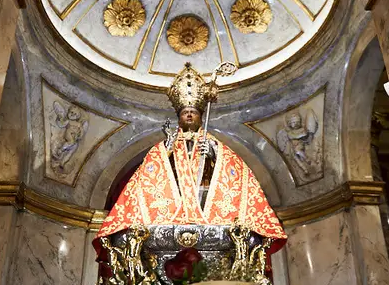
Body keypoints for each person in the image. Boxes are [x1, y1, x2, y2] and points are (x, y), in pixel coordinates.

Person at [93, 63, 286, 262]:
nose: (189, 115)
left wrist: (214, 153)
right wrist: (167, 150)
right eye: (185, 112)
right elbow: (149, 173)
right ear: (179, 118)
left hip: (206, 203)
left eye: (193, 112)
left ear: (201, 117)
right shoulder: (165, 146)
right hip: (172, 206)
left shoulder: (214, 144)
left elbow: (234, 171)